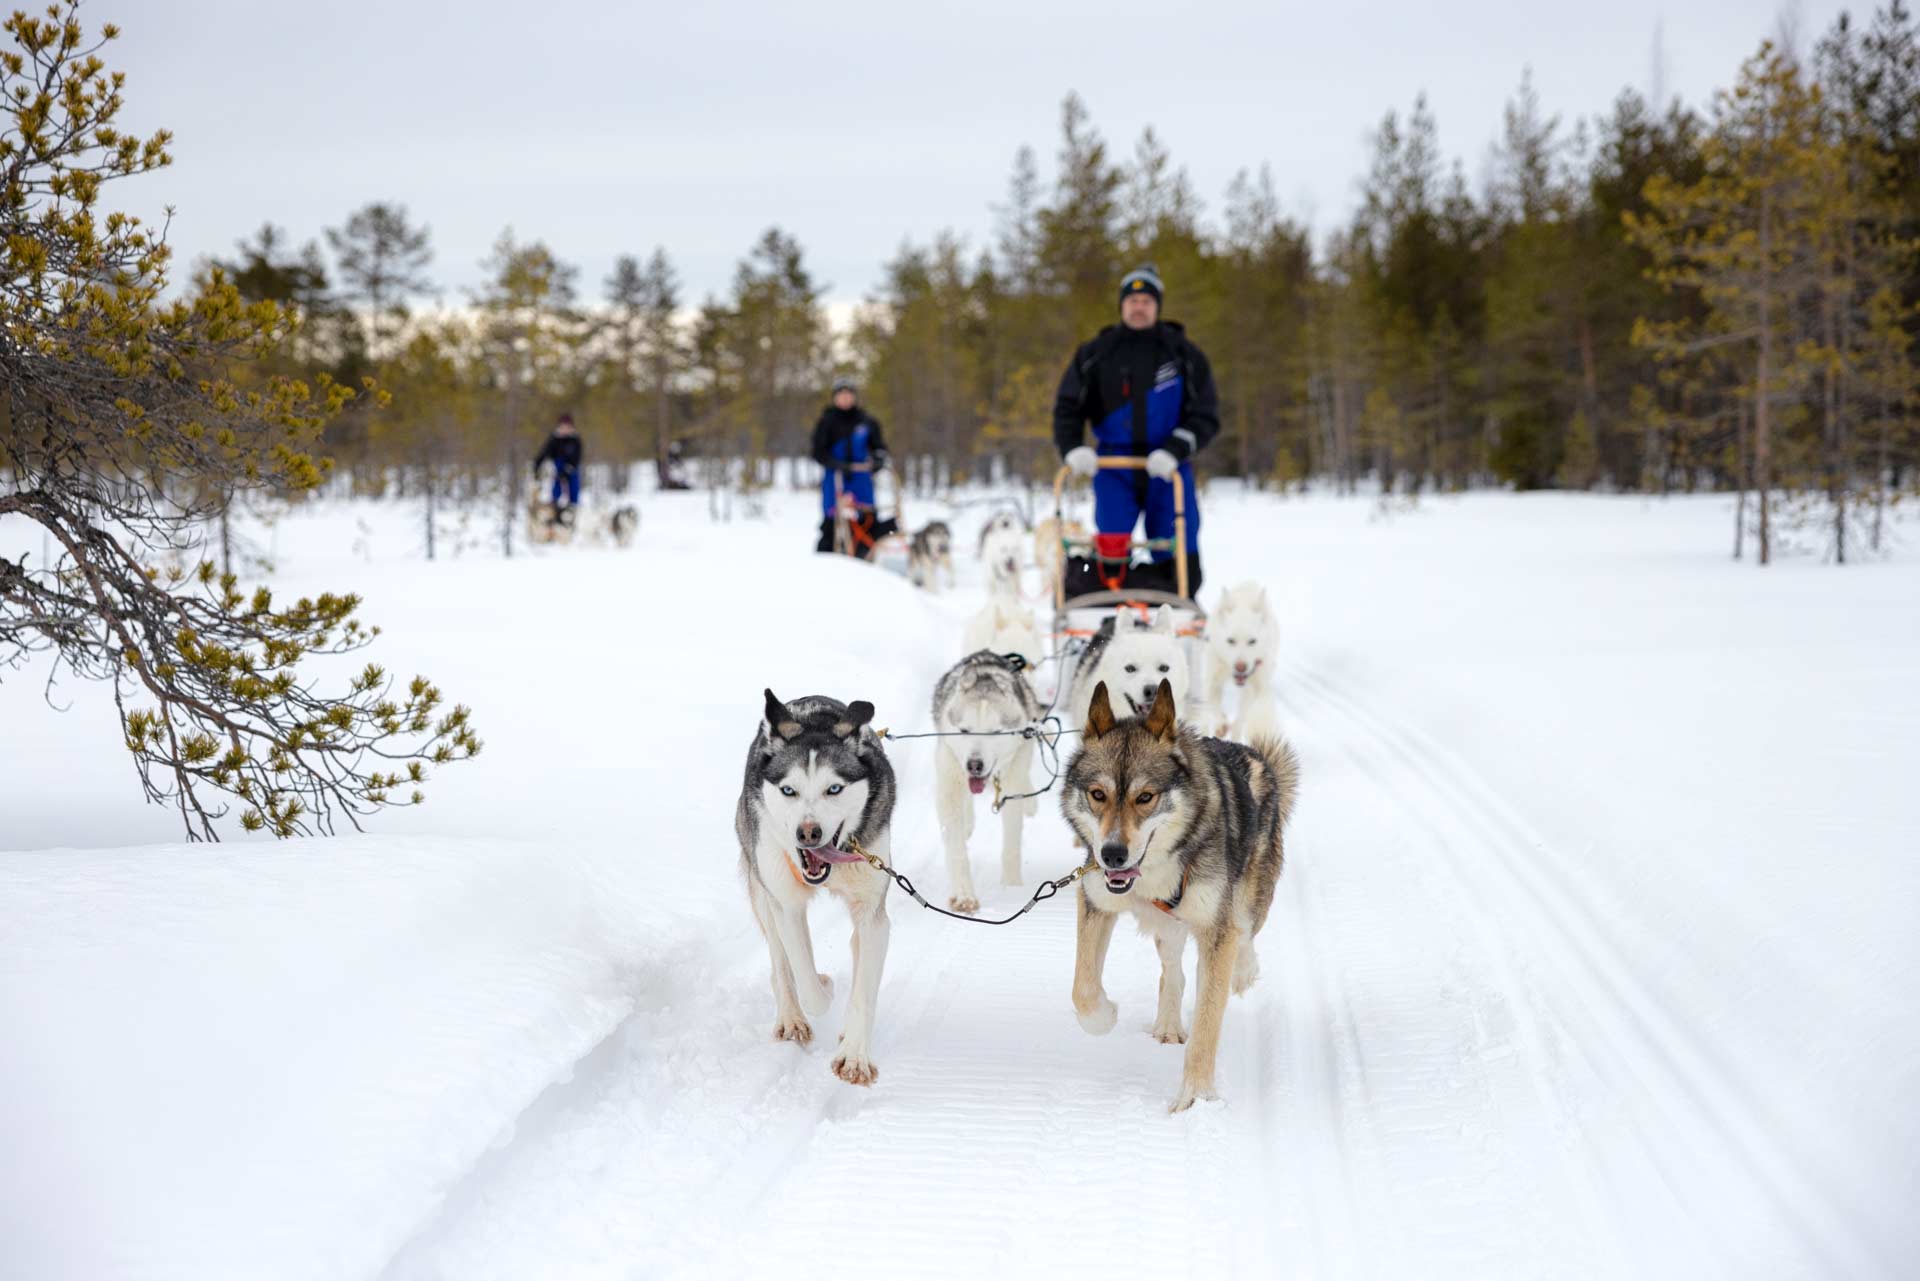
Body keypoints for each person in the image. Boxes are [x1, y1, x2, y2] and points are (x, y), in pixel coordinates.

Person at [1052, 264, 1219, 596]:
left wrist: (1175, 449)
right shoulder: (1095, 353)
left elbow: (1206, 413)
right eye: (1133, 300)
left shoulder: (1183, 354)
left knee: (1176, 542)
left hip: (1167, 466)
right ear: (1122, 305)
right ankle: (1108, 612)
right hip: (1114, 466)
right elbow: (1068, 406)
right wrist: (1073, 448)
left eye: (1146, 300)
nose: (1139, 306)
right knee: (1111, 541)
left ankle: (1175, 605)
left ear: (1157, 305)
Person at [810, 376, 894, 556]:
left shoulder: (866, 421)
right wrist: (834, 463)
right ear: (835, 397)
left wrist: (878, 459)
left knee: (868, 516)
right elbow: (818, 451)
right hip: (835, 476)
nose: (846, 398)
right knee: (832, 518)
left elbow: (878, 446)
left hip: (861, 477)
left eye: (849, 394)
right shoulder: (827, 422)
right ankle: (827, 556)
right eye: (841, 394)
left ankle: (865, 552)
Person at [533, 413, 583, 517]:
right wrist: (537, 464)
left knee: (574, 487)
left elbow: (577, 457)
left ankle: (573, 510)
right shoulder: (554, 439)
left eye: (567, 427)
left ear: (571, 427)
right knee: (556, 488)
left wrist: (568, 470)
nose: (565, 429)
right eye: (563, 427)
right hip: (558, 466)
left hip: (571, 467)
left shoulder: (575, 440)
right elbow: (545, 452)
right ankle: (554, 510)